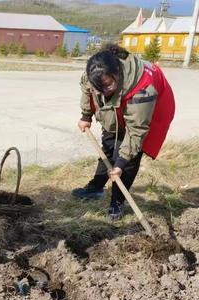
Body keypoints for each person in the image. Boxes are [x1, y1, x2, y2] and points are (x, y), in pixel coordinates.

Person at [72, 43, 175, 220]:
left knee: (128, 158)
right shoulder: (97, 72)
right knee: (109, 144)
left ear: (117, 73)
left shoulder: (143, 88)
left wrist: (120, 163)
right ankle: (96, 187)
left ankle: (117, 202)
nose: (103, 92)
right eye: (99, 89)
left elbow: (136, 132)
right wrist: (86, 115)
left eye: (107, 86)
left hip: (149, 107)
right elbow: (87, 89)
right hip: (121, 101)